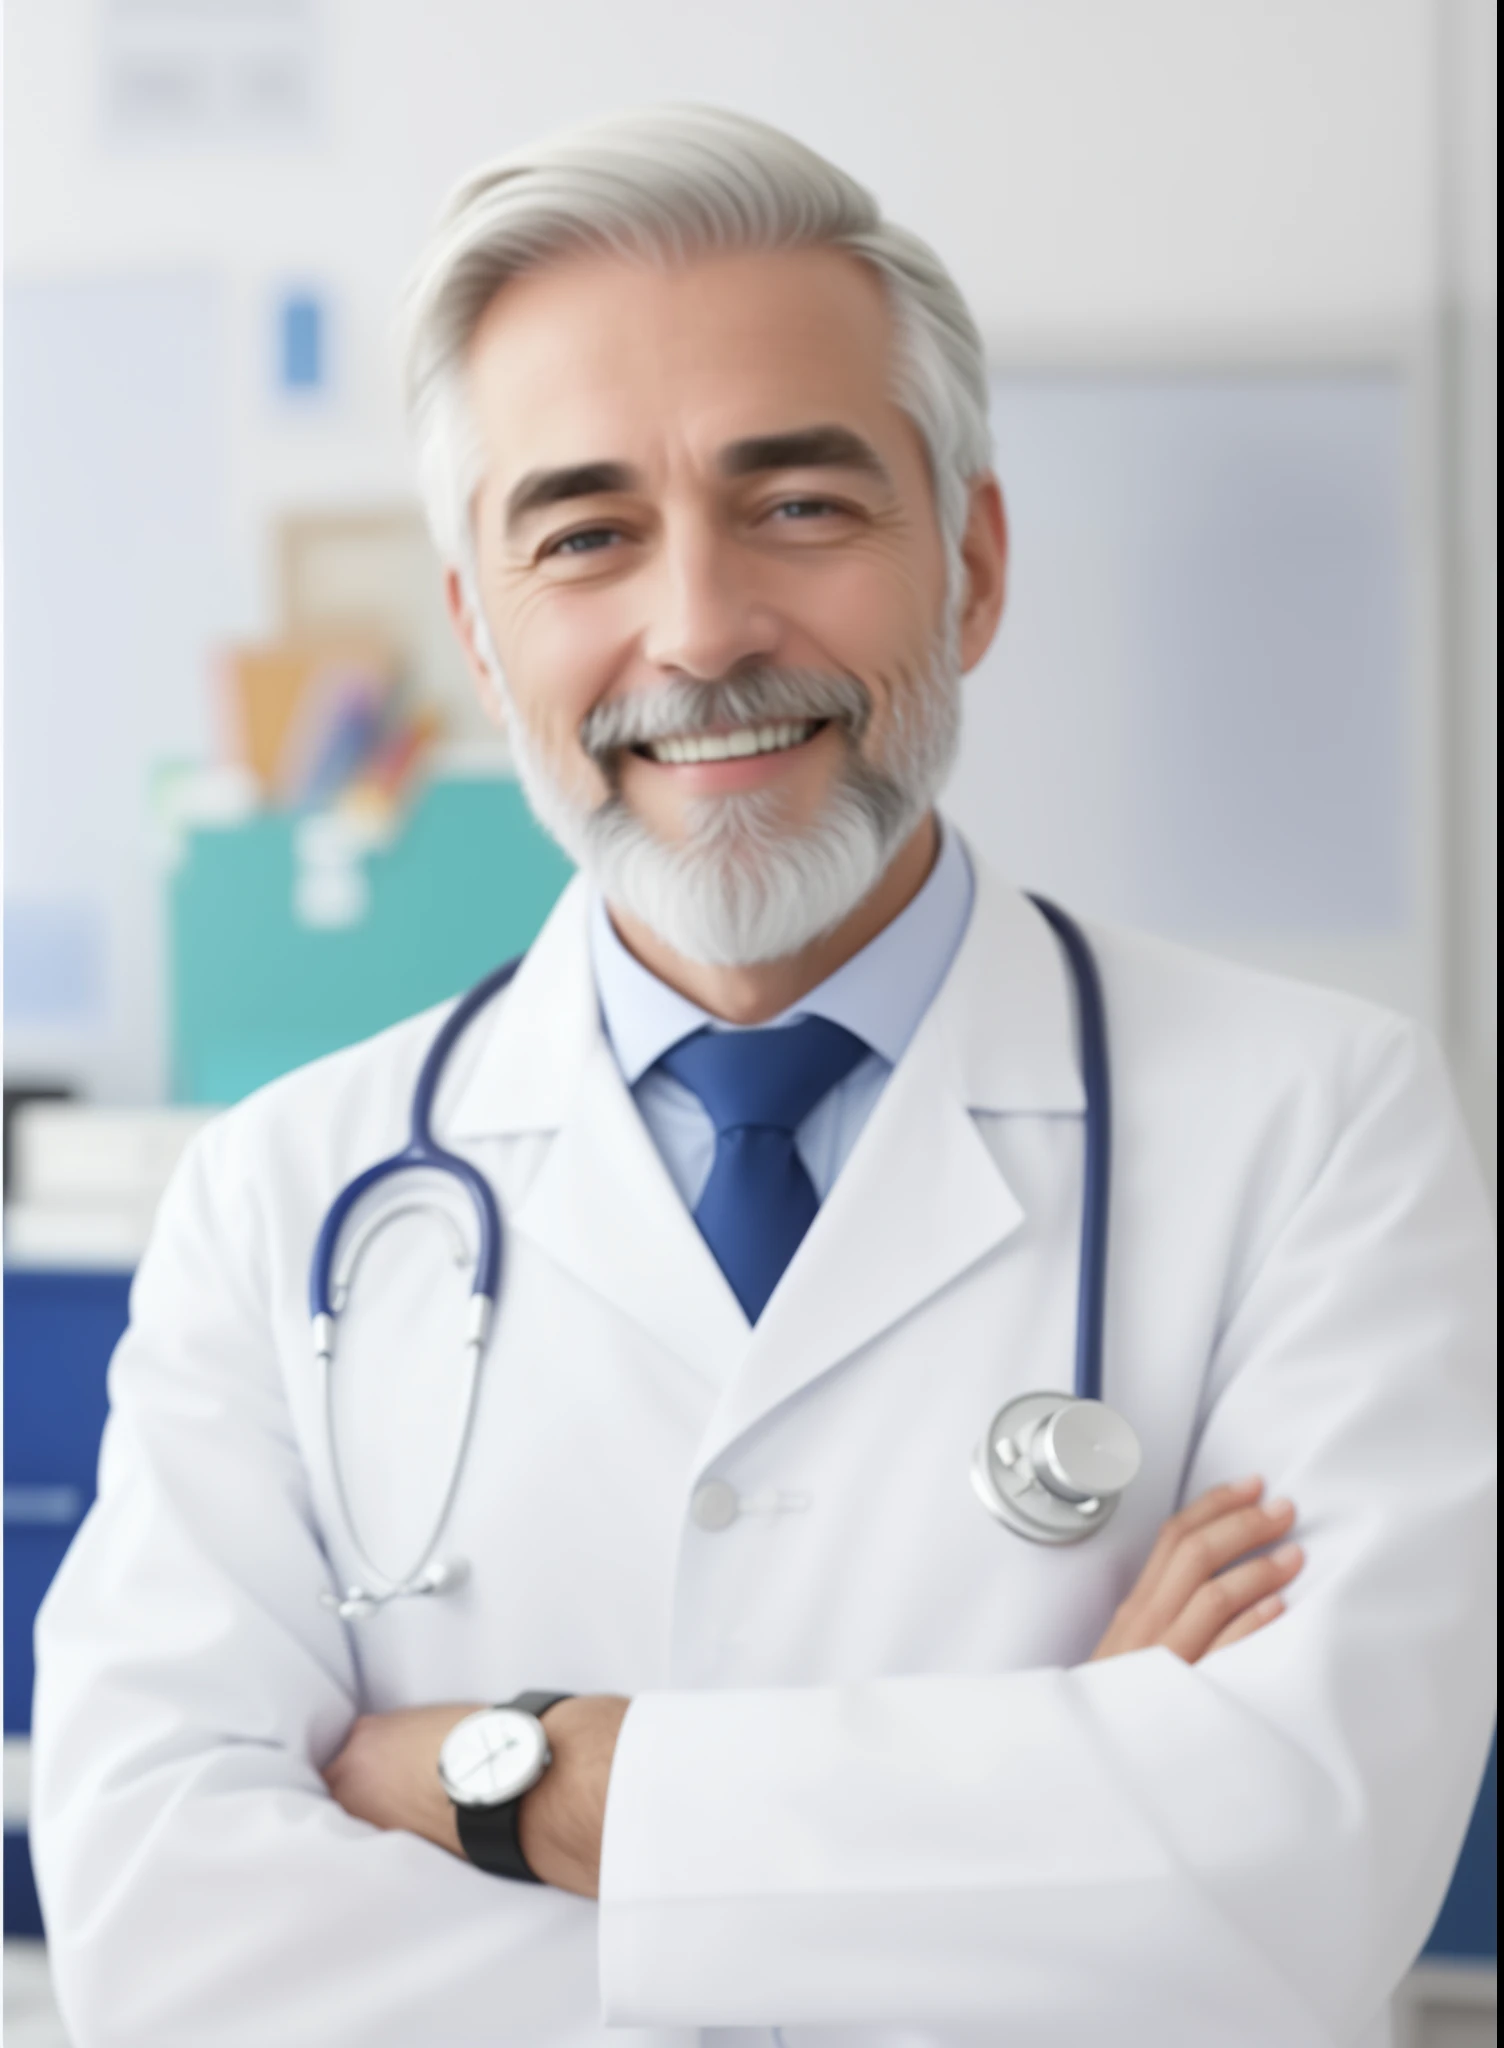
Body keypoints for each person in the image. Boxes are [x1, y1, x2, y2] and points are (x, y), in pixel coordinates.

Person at [32, 106, 1494, 2048]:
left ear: (965, 562)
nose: (703, 628)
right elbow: (172, 1946)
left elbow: (1283, 1889)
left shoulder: (1318, 1128)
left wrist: (511, 1779)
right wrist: (1056, 1794)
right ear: (478, 633)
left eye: (797, 504)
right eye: (585, 535)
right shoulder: (280, 1192)